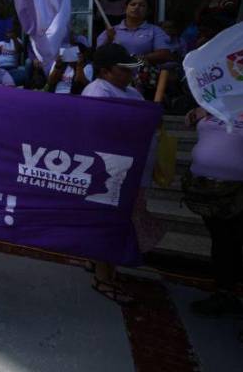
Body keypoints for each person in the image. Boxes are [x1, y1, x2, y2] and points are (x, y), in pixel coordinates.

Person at [81, 44, 156, 304]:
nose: (129, 74)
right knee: (109, 223)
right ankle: (103, 277)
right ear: (105, 71)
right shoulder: (97, 91)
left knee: (121, 221)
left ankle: (99, 264)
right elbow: (103, 129)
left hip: (132, 169)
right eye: (123, 69)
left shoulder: (131, 91)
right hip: (111, 171)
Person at [183, 107, 243, 336]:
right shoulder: (217, 101)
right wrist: (197, 113)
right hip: (213, 192)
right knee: (223, 244)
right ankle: (225, 295)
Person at [96, 0, 171, 99]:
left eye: (141, 5)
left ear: (148, 11)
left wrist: (139, 58)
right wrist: (109, 39)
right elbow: (99, 57)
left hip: (144, 83)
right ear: (126, 8)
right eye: (133, 4)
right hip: (116, 82)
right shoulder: (111, 31)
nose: (136, 7)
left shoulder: (155, 31)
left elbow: (165, 54)